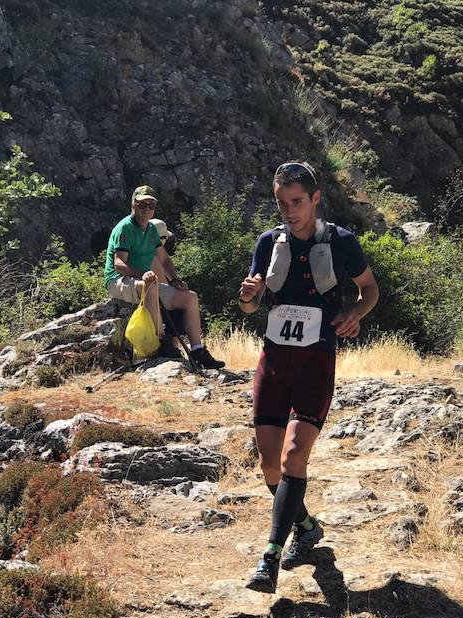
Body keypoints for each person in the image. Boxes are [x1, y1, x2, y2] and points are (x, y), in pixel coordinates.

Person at [237, 160, 379, 593]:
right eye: (282, 203)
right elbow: (248, 305)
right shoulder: (267, 243)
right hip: (275, 361)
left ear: (316, 199)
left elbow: (369, 290)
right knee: (268, 463)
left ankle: (270, 556)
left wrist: (355, 313)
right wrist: (246, 298)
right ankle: (307, 525)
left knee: (293, 457)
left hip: (316, 361)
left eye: (297, 201)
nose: (289, 210)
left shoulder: (341, 242)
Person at [104, 186, 224, 368]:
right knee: (150, 286)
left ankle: (198, 349)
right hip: (118, 280)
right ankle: (162, 343)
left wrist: (175, 280)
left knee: (190, 298)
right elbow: (119, 264)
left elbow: (165, 259)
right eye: (142, 204)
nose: (147, 208)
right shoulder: (125, 228)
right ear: (133, 204)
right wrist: (142, 274)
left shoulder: (151, 229)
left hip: (146, 280)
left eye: (151, 205)